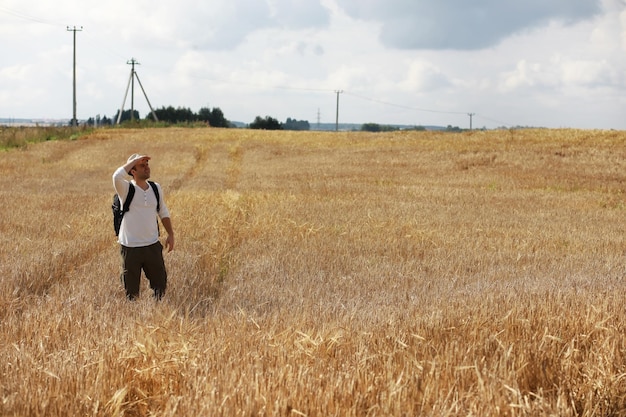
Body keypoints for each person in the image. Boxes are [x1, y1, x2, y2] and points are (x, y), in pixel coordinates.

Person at [112, 154, 174, 300]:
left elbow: (163, 211)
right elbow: (116, 176)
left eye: (147, 164)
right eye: (142, 165)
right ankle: (134, 317)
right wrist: (134, 160)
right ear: (133, 171)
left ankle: (155, 314)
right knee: (131, 292)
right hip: (130, 247)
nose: (147, 167)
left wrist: (171, 234)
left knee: (160, 286)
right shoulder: (126, 189)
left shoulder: (155, 188)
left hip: (152, 245)